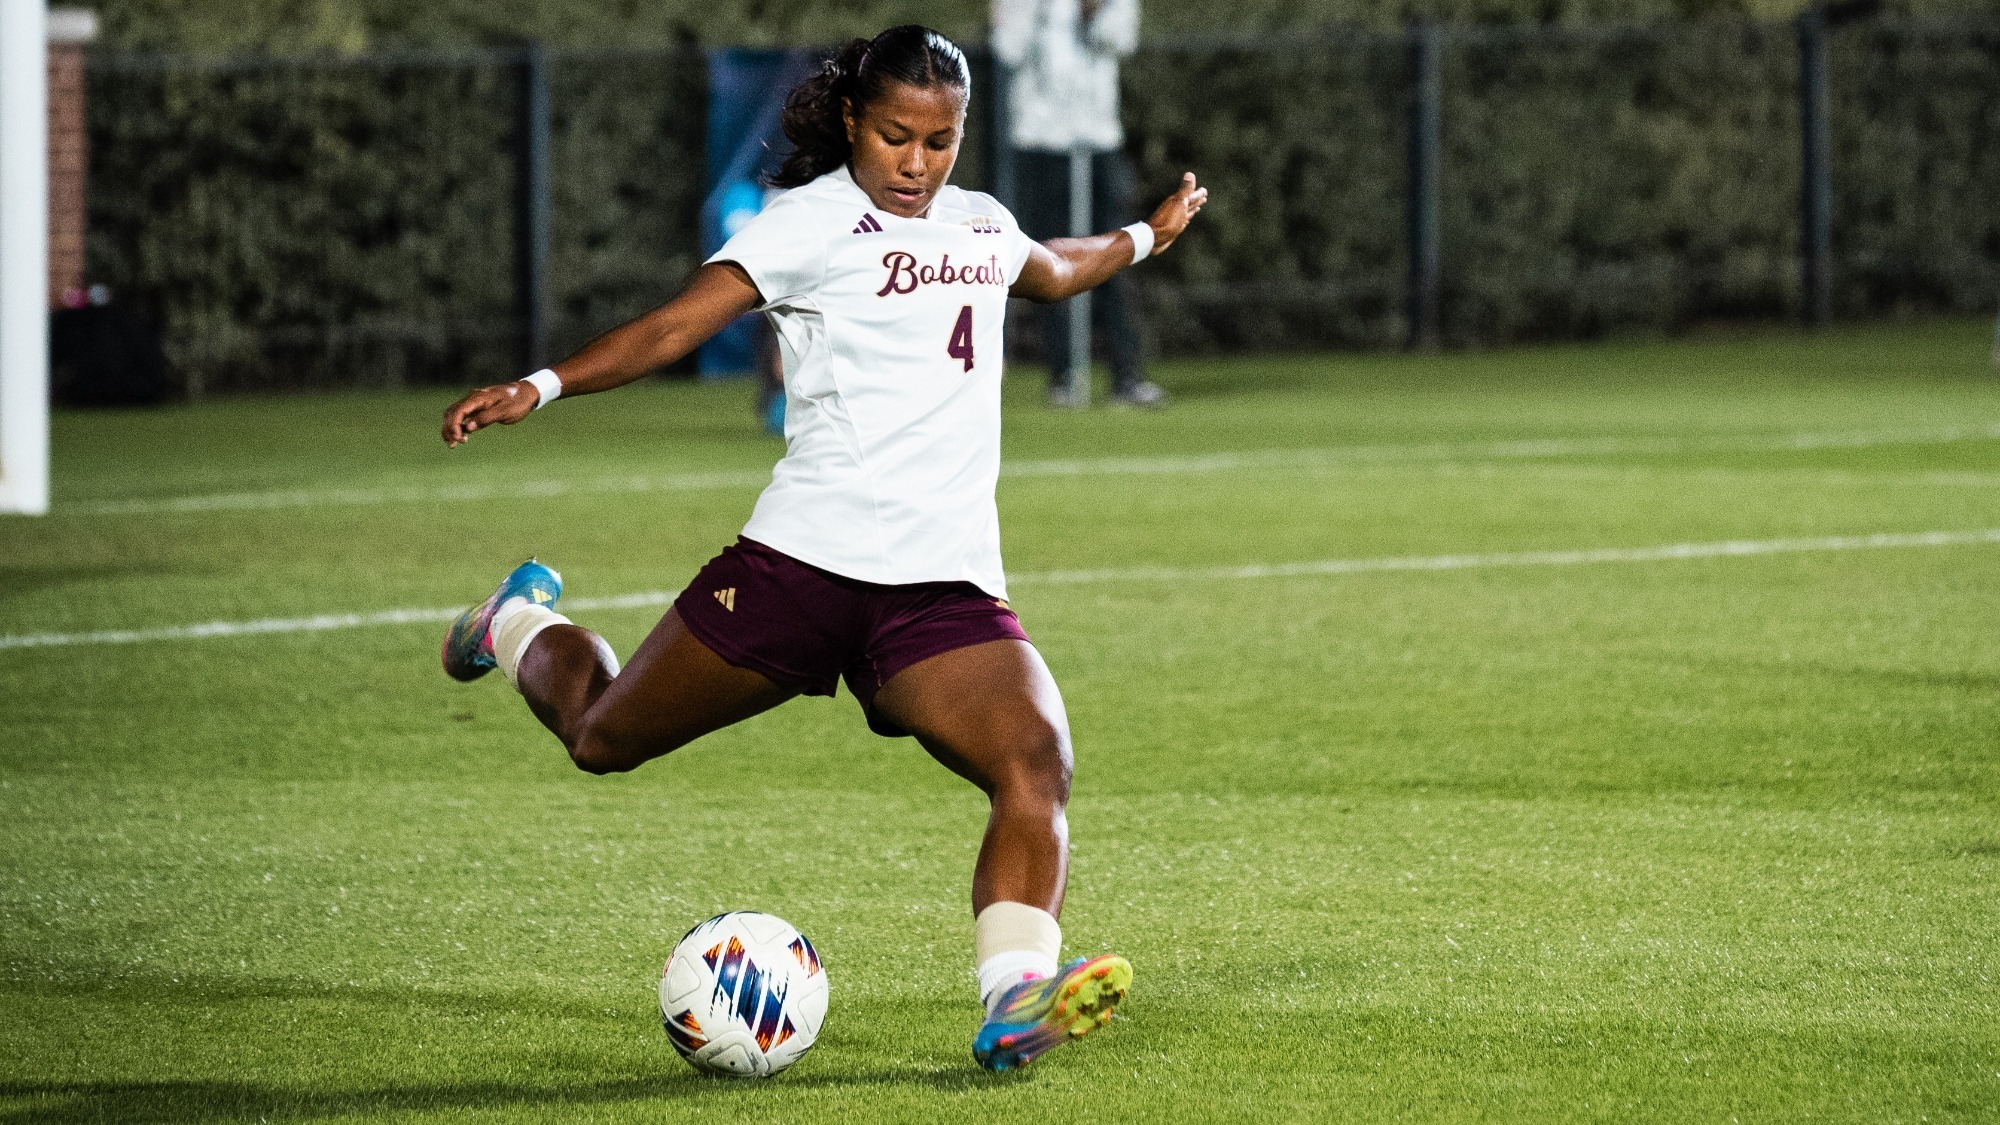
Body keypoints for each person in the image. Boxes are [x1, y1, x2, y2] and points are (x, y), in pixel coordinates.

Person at [436, 25, 1204, 1072]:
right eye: (895, 137)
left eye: (939, 141)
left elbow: (1060, 270)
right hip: (798, 570)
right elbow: (672, 328)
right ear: (853, 121)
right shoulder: (805, 225)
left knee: (1033, 761)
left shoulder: (980, 226)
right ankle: (518, 618)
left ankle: (1014, 996)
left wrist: (1145, 236)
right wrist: (544, 384)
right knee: (601, 738)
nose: (916, 163)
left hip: (938, 592)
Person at [992, 0, 1164, 408]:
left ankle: (1126, 375)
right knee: (1048, 258)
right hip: (1040, 138)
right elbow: (1008, 48)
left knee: (1113, 252)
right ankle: (1065, 376)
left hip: (1097, 137)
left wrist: (1092, 13)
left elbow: (1119, 39)